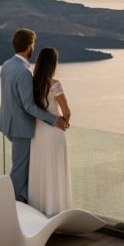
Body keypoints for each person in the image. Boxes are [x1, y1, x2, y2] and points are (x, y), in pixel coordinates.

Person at [0, 29, 68, 203]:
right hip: (21, 127)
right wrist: (54, 120)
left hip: (7, 123)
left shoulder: (6, 65)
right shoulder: (23, 72)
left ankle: (24, 198)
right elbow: (29, 106)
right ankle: (7, 206)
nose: (33, 48)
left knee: (27, 166)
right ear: (29, 47)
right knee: (19, 170)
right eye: (33, 45)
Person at [28, 47, 72, 215]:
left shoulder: (32, 83)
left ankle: (39, 211)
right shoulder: (55, 84)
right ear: (53, 64)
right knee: (56, 170)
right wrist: (65, 122)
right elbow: (66, 111)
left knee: (41, 168)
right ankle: (57, 211)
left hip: (38, 132)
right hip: (55, 132)